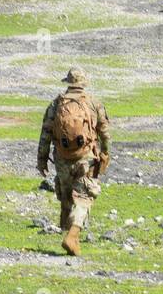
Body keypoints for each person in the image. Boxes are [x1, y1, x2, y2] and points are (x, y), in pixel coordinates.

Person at [37, 68, 111, 256]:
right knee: (85, 197)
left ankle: (71, 239)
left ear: (68, 82)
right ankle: (72, 235)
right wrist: (105, 153)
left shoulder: (56, 104)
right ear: (84, 82)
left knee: (67, 197)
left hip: (62, 158)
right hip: (85, 157)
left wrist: (42, 158)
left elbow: (45, 133)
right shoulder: (94, 103)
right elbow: (104, 131)